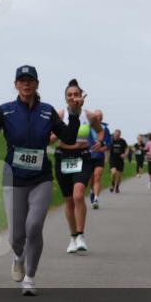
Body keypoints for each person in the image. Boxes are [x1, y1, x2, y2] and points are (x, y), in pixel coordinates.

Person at [0, 65, 82, 295]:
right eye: (21, 80)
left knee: (34, 227)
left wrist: (74, 114)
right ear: (15, 85)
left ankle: (30, 278)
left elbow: (69, 136)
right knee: (16, 235)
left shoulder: (47, 111)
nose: (26, 84)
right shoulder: (6, 111)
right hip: (13, 177)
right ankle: (18, 256)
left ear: (36, 84)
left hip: (40, 177)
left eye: (30, 80)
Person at [51, 79, 91, 253]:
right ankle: (73, 237)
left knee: (78, 195)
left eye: (76, 94)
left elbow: (100, 130)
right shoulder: (60, 115)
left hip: (82, 157)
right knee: (68, 200)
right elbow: (52, 136)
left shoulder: (89, 115)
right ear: (65, 97)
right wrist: (50, 138)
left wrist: (99, 142)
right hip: (63, 157)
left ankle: (81, 236)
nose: (73, 97)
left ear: (81, 96)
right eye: (69, 95)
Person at [86, 110, 112, 209]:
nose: (98, 118)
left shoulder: (105, 129)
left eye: (100, 117)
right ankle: (92, 191)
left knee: (97, 177)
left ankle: (96, 199)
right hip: (88, 156)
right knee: (91, 179)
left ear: (102, 118)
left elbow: (109, 143)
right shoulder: (87, 127)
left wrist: (103, 148)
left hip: (99, 157)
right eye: (96, 116)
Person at [108, 129, 129, 194]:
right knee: (114, 173)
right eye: (115, 135)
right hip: (113, 159)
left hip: (120, 160)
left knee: (119, 176)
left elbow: (127, 148)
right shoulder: (111, 141)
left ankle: (117, 187)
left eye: (117, 135)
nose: (116, 136)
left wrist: (125, 154)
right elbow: (107, 149)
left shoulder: (123, 141)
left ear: (120, 135)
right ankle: (112, 184)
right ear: (114, 134)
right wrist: (106, 157)